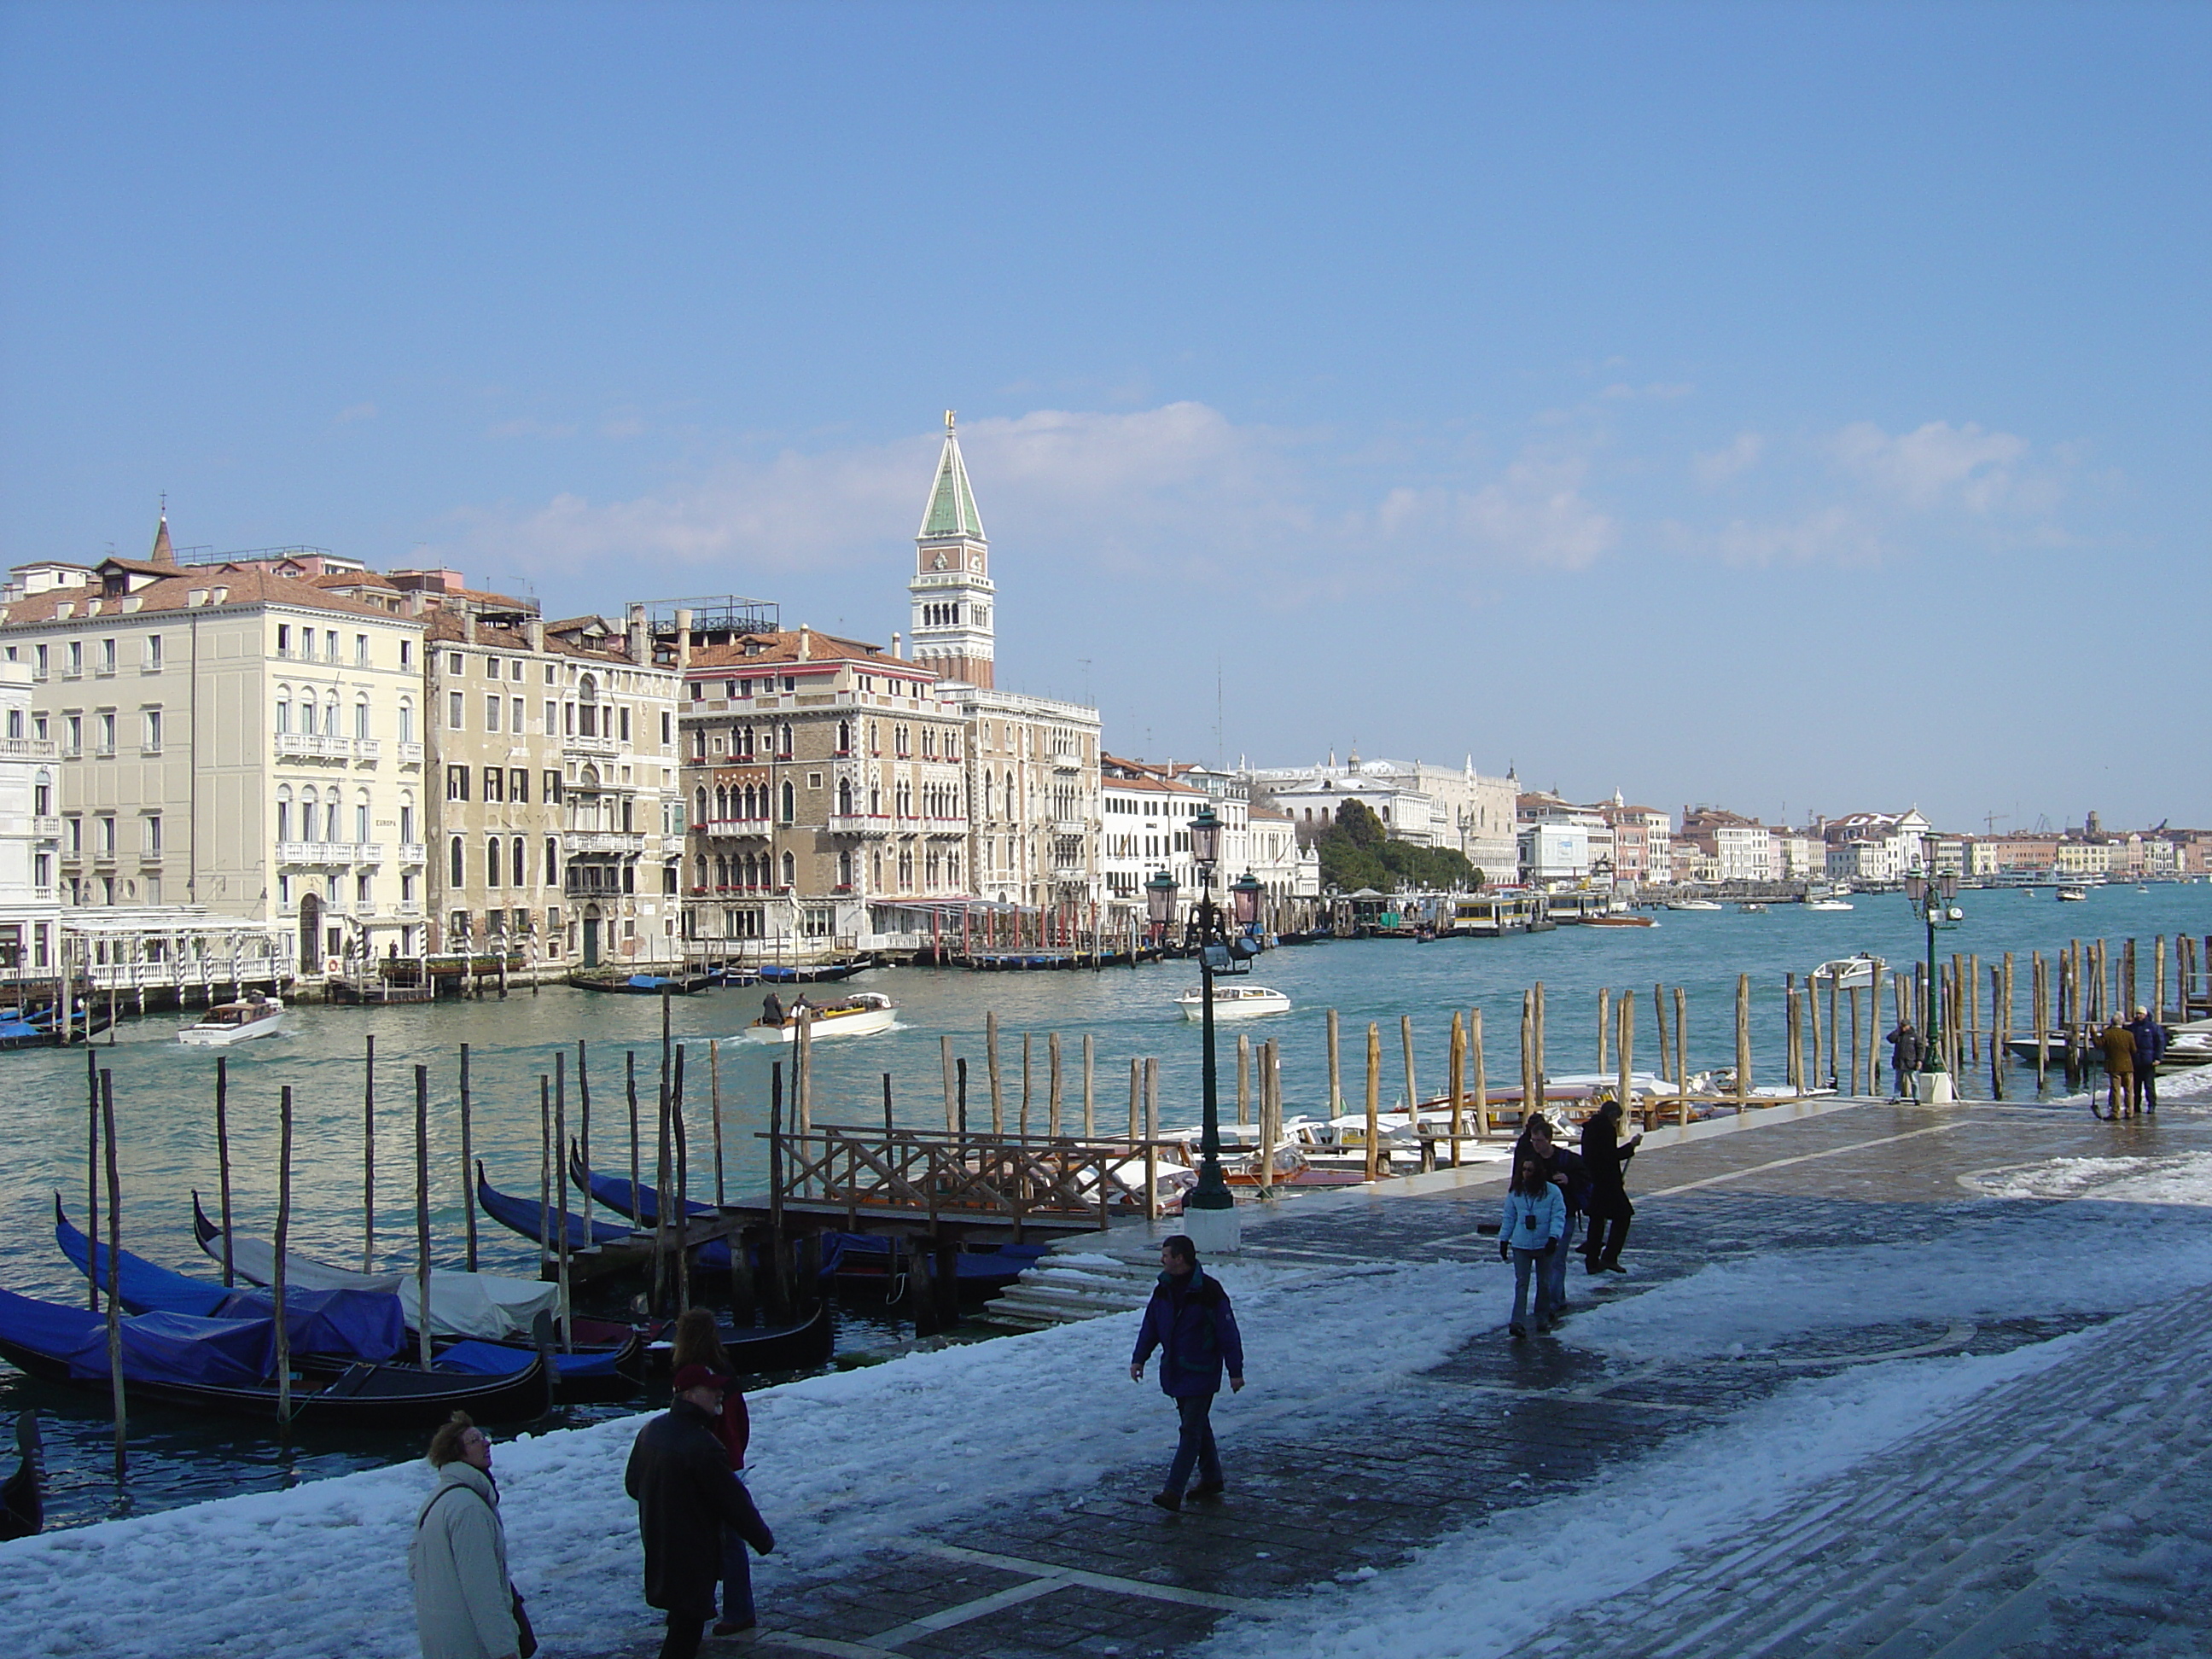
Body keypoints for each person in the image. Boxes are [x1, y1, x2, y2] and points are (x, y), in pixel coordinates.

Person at [626, 1365, 776, 1659]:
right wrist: (763, 1540)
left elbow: (634, 1485)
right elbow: (734, 1502)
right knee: (687, 1627)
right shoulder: (703, 1445)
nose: (720, 1393)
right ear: (691, 1395)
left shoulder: (652, 1430)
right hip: (693, 1550)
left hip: (660, 1541)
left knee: (681, 1618)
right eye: (712, 1389)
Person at [1129, 1235, 1244, 1513]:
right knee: (1198, 1426)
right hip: (1176, 1371)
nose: (1162, 1259)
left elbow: (1227, 1332)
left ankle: (1173, 1491)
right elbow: (1151, 1326)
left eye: (1166, 1255)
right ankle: (1212, 1478)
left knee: (1190, 1430)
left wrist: (1235, 1371)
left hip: (1202, 1370)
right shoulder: (1163, 1290)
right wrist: (1139, 1359)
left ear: (1180, 1258)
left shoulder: (1209, 1291)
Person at [667, 1310, 755, 1637]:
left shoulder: (692, 1378)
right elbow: (740, 1423)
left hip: (709, 1465)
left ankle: (727, 1609)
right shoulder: (726, 1374)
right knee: (729, 1540)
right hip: (730, 1461)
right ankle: (737, 1608)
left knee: (711, 1541)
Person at [410, 1412, 525, 1659]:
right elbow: (483, 1590)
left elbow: (415, 1567)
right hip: (471, 1645)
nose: (486, 1443)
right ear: (456, 1453)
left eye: (484, 1437)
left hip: (443, 1641)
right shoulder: (469, 1509)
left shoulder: (437, 1499)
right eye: (474, 1441)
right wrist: (504, 1651)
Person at [1516, 1115, 1586, 1319]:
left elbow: (1586, 1177)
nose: (1535, 1145)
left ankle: (1553, 1302)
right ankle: (1558, 1298)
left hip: (1565, 1214)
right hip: (1540, 1217)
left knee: (1556, 1258)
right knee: (1548, 1260)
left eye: (1539, 1141)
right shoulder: (1532, 1161)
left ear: (1549, 1140)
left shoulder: (1566, 1159)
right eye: (1533, 1141)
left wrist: (1569, 1179)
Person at [1499, 1149, 1566, 1338]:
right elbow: (1509, 1217)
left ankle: (1542, 1317)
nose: (1526, 1173)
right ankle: (1517, 1321)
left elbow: (1558, 1216)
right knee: (1522, 1283)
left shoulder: (1552, 1192)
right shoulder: (1516, 1193)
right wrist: (1504, 1239)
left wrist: (1554, 1237)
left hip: (1544, 1243)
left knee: (1543, 1283)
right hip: (1521, 1244)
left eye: (1530, 1170)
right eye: (1524, 1169)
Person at [1580, 1097, 1640, 1273]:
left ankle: (1592, 1261)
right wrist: (1631, 1146)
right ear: (1612, 1115)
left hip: (1593, 1179)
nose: (1616, 1123)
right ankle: (1609, 1257)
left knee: (1597, 1220)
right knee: (1623, 1216)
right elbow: (1610, 1156)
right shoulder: (1605, 1129)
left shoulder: (1589, 1127)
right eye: (1617, 1119)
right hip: (1606, 1182)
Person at [2128, 1006, 2168, 1114]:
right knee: (2136, 1086)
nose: (2138, 1016)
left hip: (2149, 1060)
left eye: (2140, 1013)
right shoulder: (2132, 1027)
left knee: (2149, 1085)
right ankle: (2136, 1106)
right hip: (2136, 1061)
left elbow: (2160, 1043)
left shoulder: (2153, 1027)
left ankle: (2152, 1104)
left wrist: (2158, 1058)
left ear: (2145, 1015)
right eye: (2137, 1013)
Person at [2098, 1016, 2138, 1118]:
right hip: (2127, 1065)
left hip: (2114, 1065)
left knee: (2116, 1090)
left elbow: (2098, 1045)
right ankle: (2130, 1111)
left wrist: (2094, 1034)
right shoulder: (2129, 1034)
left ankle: (2115, 1112)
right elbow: (2133, 1050)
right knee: (2129, 1090)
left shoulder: (2107, 1034)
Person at [1886, 1020, 1924, 1100]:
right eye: (1902, 1026)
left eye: (1905, 1026)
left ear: (1909, 1026)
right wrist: (1897, 1031)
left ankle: (1917, 1098)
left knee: (1914, 1082)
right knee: (1898, 1082)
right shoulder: (1899, 1035)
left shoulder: (1914, 1036)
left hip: (1910, 1062)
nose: (1903, 1028)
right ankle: (1896, 1098)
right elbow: (1890, 1039)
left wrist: (1919, 1060)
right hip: (1899, 1062)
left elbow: (1920, 1049)